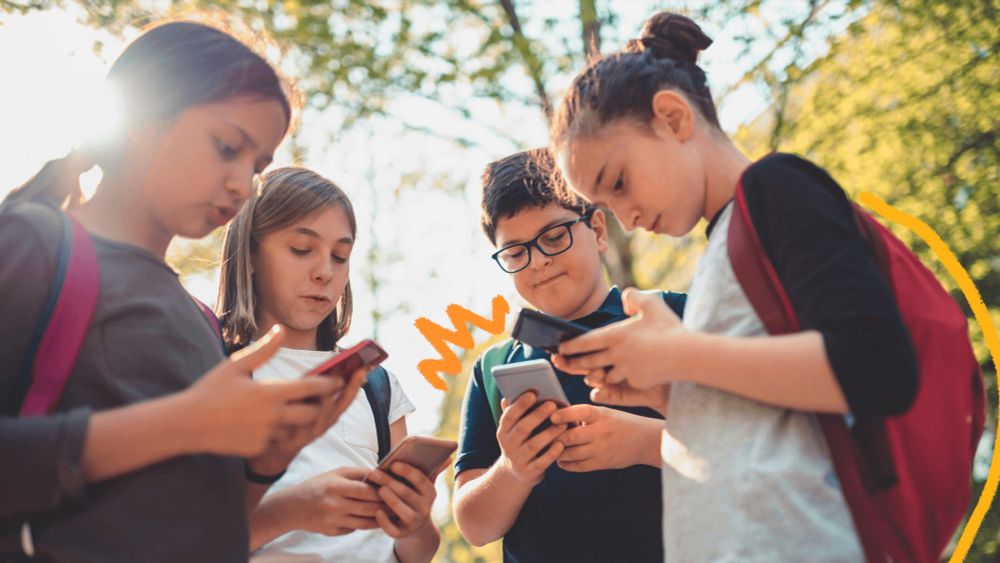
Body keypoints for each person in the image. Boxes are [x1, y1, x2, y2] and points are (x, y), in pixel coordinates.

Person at [548, 12, 918, 561]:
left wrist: (679, 353)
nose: (623, 219)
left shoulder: (776, 187)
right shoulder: (726, 243)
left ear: (673, 119)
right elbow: (778, 421)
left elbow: (878, 365)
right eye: (606, 205)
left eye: (619, 182)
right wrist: (672, 392)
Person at [0, 20, 357, 562]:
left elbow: (206, 529)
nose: (243, 184)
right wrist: (181, 423)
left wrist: (268, 461)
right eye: (226, 147)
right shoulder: (36, 244)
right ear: (144, 121)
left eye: (257, 165)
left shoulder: (199, 320)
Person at [451, 148, 685, 563]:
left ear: (597, 230)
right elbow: (475, 526)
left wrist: (646, 444)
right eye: (516, 252)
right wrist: (513, 469)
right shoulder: (493, 368)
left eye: (554, 237)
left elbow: (753, 444)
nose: (538, 262)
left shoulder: (675, 318)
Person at [217, 166, 442, 563]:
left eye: (340, 256)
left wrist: (417, 523)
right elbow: (182, 541)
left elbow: (417, 553)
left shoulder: (376, 385)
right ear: (250, 254)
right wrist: (293, 510)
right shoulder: (218, 373)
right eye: (302, 249)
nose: (325, 272)